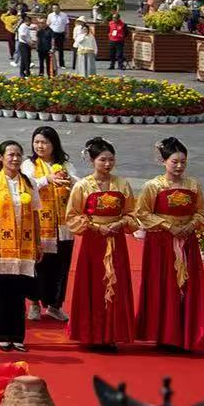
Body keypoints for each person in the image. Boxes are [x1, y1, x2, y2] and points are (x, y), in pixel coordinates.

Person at [64, 136, 138, 351]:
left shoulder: (122, 184)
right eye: (102, 160)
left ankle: (112, 334)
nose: (107, 164)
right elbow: (73, 216)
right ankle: (92, 334)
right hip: (93, 242)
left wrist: (120, 223)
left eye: (111, 159)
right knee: (94, 285)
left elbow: (132, 214)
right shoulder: (82, 186)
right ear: (92, 160)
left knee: (116, 284)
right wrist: (96, 227)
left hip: (116, 240)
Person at [134, 137, 204, 353]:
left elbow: (201, 212)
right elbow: (142, 213)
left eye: (183, 162)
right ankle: (163, 334)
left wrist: (191, 224)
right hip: (161, 243)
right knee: (163, 285)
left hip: (187, 241)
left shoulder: (193, 185)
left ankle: (187, 333)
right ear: (163, 161)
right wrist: (168, 226)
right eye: (174, 161)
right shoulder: (153, 186)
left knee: (187, 285)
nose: (179, 166)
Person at [0, 139, 42, 352]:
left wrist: (38, 243)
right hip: (0, 245)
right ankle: (2, 334)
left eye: (18, 155)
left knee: (19, 292)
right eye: (11, 155)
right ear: (1, 157)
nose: (15, 159)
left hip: (24, 246)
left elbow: (36, 214)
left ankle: (17, 335)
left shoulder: (29, 183)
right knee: (2, 291)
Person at [23, 126, 75, 322]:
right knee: (39, 265)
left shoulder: (65, 164)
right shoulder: (29, 164)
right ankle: (34, 304)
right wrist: (47, 179)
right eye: (36, 142)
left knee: (60, 266)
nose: (40, 146)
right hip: (39, 225)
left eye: (44, 142)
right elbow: (26, 185)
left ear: (54, 144)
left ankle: (55, 305)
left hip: (63, 226)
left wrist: (68, 179)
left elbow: (79, 185)